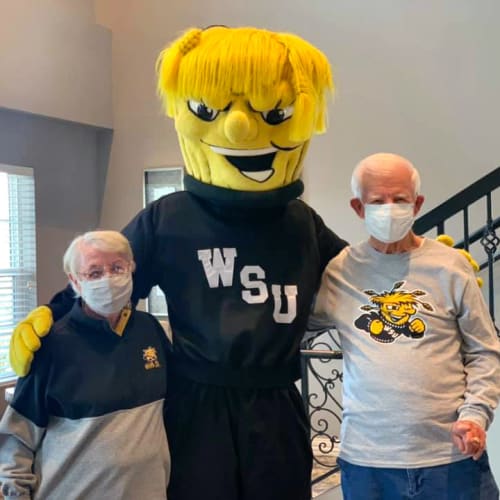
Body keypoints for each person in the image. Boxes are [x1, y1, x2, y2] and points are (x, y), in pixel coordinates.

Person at [9, 27, 348, 500]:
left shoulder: (301, 222)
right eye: (212, 110)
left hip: (275, 399)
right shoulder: (169, 216)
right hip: (197, 402)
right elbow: (108, 274)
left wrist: (421, 261)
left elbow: (360, 274)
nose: (238, 127)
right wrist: (53, 314)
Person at [309, 152, 500, 500]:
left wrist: (476, 414)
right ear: (358, 207)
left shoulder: (451, 266)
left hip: (451, 458)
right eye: (377, 201)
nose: (389, 208)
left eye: (399, 199)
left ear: (417, 204)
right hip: (368, 464)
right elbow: (294, 325)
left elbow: (485, 351)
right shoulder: (339, 272)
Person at [0, 231, 171, 499]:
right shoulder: (51, 346)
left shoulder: (151, 331)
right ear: (75, 283)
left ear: (131, 269)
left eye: (117, 268)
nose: (108, 280)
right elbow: (17, 440)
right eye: (94, 273)